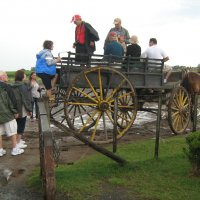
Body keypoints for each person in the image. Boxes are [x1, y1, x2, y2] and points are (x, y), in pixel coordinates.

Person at [0, 71, 24, 156]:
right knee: (13, 131)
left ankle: (0, 150)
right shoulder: (7, 87)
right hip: (7, 114)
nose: (7, 77)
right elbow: (12, 101)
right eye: (6, 75)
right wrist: (15, 111)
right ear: (1, 77)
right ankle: (14, 149)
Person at [12, 70, 32, 149]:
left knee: (16, 125)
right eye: (24, 75)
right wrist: (29, 109)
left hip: (15, 108)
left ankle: (17, 141)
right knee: (21, 125)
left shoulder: (12, 85)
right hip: (22, 108)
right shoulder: (22, 86)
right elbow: (26, 99)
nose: (25, 76)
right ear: (22, 76)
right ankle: (18, 143)